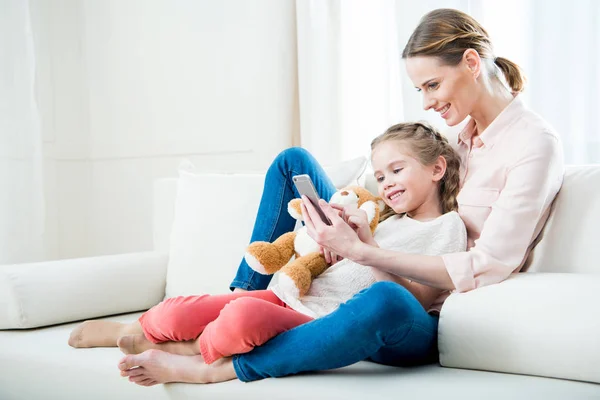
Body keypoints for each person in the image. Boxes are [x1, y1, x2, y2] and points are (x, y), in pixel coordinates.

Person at [116, 8, 564, 386]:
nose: (426, 103)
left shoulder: (532, 146)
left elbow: (484, 266)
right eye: (420, 89)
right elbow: (405, 196)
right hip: (386, 249)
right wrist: (349, 220)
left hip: (421, 308)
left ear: (470, 63)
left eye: (432, 85)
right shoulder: (460, 136)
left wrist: (367, 251)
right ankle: (240, 298)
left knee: (382, 302)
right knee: (294, 162)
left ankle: (220, 368)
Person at [69, 122, 467, 367]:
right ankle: (147, 326)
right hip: (293, 291)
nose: (387, 183)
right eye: (380, 177)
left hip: (322, 317)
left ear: (437, 168)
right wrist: (328, 236)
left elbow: (405, 304)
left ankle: (192, 345)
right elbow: (335, 259)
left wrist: (362, 247)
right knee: (169, 315)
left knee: (238, 322)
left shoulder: (448, 228)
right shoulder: (378, 213)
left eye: (397, 170)